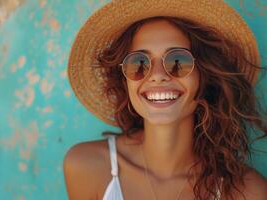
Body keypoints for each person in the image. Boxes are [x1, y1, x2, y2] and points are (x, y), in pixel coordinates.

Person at [63, 0, 267, 200]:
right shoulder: (87, 167)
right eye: (139, 62)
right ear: (125, 82)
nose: (157, 75)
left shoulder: (248, 192)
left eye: (178, 60)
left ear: (205, 77)